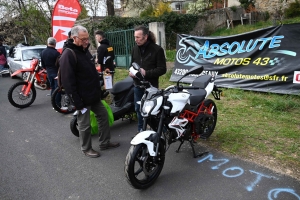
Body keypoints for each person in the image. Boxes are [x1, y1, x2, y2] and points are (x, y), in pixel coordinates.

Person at [59, 25, 119, 158]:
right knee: (84, 125)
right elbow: (68, 82)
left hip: (93, 95)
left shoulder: (84, 50)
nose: (87, 42)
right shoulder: (68, 54)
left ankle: (104, 142)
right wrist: (77, 102)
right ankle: (86, 149)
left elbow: (89, 71)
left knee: (103, 116)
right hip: (81, 98)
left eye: (87, 38)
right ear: (74, 38)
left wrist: (101, 79)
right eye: (83, 39)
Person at [129, 25, 167, 132]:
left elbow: (162, 69)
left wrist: (146, 73)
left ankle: (160, 132)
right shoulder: (135, 49)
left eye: (138, 37)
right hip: (137, 85)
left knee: (153, 110)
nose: (135, 40)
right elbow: (131, 64)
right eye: (135, 37)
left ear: (145, 37)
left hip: (151, 87)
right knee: (138, 109)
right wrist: (131, 71)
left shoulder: (157, 50)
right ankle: (141, 131)